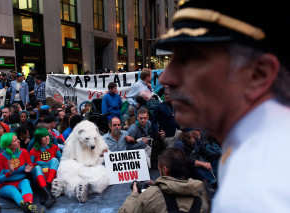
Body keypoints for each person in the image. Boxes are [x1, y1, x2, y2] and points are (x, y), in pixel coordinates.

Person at [155, 0, 290, 211]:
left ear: (258, 74)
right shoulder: (259, 149)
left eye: (190, 58)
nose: (166, 77)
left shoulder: (255, 192)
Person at [118, 148, 209, 213]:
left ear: (164, 170)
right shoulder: (202, 190)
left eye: (159, 169)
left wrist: (134, 194)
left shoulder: (150, 195)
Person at [0, 133, 43, 213]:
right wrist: (9, 172)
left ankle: (29, 205)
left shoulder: (23, 152)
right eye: (15, 140)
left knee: (26, 183)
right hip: (6, 185)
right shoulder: (0, 158)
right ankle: (27, 206)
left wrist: (28, 170)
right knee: (14, 191)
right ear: (9, 146)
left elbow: (31, 165)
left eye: (17, 139)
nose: (19, 141)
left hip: (21, 180)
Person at [29, 127, 60, 208]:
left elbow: (61, 161)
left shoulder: (54, 147)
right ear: (38, 138)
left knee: (54, 160)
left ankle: (46, 191)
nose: (47, 137)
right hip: (39, 179)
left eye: (47, 135)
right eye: (44, 136)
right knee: (37, 167)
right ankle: (47, 193)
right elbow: (30, 167)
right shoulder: (33, 151)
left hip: (52, 177)